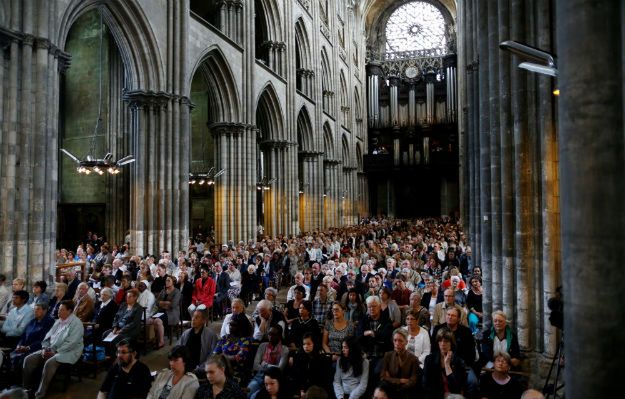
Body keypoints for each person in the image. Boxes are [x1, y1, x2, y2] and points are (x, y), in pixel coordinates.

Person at [22, 300, 84, 399]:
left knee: (49, 363)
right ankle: (25, 389)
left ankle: (40, 394)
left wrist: (55, 352)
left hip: (68, 351)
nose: (59, 312)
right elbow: (47, 338)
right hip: (51, 349)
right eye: (59, 309)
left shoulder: (77, 323)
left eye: (62, 310)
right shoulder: (58, 321)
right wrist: (44, 349)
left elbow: (71, 343)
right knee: (28, 360)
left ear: (69, 311)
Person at [9, 303, 54, 374]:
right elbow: (23, 336)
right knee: (11, 355)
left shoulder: (49, 322)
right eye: (34, 310)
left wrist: (28, 347)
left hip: (35, 349)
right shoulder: (32, 321)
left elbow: (43, 340)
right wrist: (19, 346)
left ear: (45, 311)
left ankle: (19, 382)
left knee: (21, 359)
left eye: (38, 309)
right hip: (23, 348)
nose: (35, 311)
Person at [422, 328, 467, 399]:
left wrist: (447, 365)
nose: (443, 344)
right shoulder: (429, 359)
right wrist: (442, 395)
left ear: (451, 343)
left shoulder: (458, 361)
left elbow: (457, 389)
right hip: (435, 396)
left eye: (446, 341)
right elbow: (425, 386)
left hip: (454, 396)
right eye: (440, 341)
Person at [357, 296, 393, 383]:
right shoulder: (364, 320)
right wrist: (373, 334)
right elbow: (358, 336)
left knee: (376, 372)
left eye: (374, 306)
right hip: (366, 354)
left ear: (380, 306)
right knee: (359, 371)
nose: (371, 309)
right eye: (369, 307)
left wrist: (370, 334)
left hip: (381, 355)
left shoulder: (386, 320)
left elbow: (385, 336)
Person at [248, 325, 289, 397]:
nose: (270, 336)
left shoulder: (284, 349)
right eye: (269, 334)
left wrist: (264, 364)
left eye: (273, 334)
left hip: (274, 379)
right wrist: (270, 366)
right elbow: (255, 366)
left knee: (254, 396)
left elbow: (279, 369)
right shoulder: (263, 346)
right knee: (249, 394)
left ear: (279, 335)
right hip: (259, 377)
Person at [213, 312, 255, 383]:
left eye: (234, 325)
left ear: (241, 326)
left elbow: (238, 358)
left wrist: (222, 356)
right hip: (220, 369)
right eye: (230, 324)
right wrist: (225, 357)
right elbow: (214, 355)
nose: (230, 327)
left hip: (236, 373)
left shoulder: (246, 341)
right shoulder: (225, 338)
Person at [380, 329, 420, 398]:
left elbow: (413, 381)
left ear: (406, 342)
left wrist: (391, 380)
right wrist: (400, 380)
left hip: (405, 393)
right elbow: (383, 377)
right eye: (395, 340)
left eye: (400, 341)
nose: (397, 343)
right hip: (389, 390)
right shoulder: (388, 355)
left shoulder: (414, 359)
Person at [177, 309, 219, 373]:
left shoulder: (211, 335)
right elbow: (178, 348)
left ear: (203, 321)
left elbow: (213, 355)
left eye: (196, 317)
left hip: (199, 368)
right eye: (193, 316)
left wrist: (200, 368)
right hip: (184, 365)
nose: (193, 319)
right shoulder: (186, 333)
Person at [152, 275, 181, 349]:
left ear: (173, 282)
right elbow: (157, 302)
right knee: (150, 320)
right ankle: (155, 339)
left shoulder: (177, 292)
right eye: (166, 280)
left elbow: (173, 305)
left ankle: (161, 342)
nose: (166, 282)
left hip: (172, 313)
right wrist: (166, 303)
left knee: (157, 321)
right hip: (162, 311)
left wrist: (163, 303)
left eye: (168, 281)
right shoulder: (163, 290)